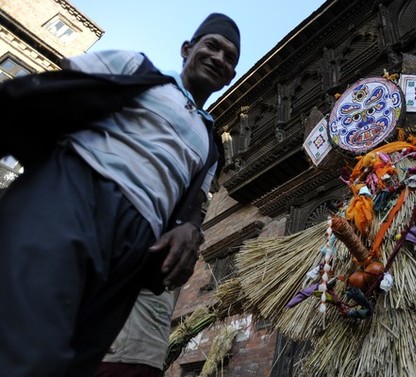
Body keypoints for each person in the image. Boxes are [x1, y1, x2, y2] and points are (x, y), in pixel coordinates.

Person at [0, 12, 240, 377]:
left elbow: (195, 208)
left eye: (230, 57)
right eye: (212, 46)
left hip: (136, 245)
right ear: (187, 49)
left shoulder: (210, 146)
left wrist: (190, 229)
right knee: (23, 333)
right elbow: (61, 93)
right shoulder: (139, 71)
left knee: (73, 357)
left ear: (231, 76)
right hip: (78, 193)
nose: (220, 58)